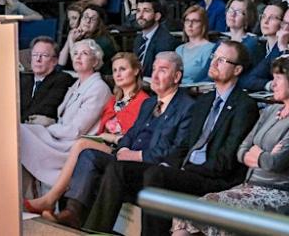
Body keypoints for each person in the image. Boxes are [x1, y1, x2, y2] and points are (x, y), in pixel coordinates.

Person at [84, 41, 260, 235]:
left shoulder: (245, 106)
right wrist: (170, 163)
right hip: (186, 169)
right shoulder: (204, 101)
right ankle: (93, 232)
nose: (214, 62)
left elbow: (226, 159)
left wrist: (182, 167)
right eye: (214, 57)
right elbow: (184, 145)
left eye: (222, 60)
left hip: (213, 178)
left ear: (237, 70)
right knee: (119, 168)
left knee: (156, 175)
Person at [39, 51, 196, 227]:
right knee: (89, 154)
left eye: (163, 70)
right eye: (154, 69)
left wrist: (136, 156)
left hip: (150, 167)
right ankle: (73, 212)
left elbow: (177, 149)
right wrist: (123, 149)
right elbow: (130, 134)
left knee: (114, 166)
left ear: (177, 77)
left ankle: (94, 229)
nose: (155, 75)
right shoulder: (149, 103)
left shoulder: (187, 107)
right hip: (126, 158)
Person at [171, 55, 289, 236]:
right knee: (183, 211)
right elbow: (241, 151)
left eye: (278, 78)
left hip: (277, 194)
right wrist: (261, 154)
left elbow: (275, 163)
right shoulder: (271, 111)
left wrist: (258, 153)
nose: (273, 84)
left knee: (207, 210)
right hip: (248, 187)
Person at [24, 52, 149, 215]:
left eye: (123, 69)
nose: (117, 74)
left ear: (136, 71)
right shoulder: (113, 99)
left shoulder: (144, 101)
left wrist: (110, 137)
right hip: (101, 144)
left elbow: (137, 137)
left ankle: (50, 199)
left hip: (121, 149)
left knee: (81, 144)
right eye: (115, 70)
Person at [20, 39, 114, 197]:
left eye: (84, 54)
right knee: (18, 134)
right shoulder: (77, 84)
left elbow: (76, 130)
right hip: (60, 137)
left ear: (96, 61)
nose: (78, 57)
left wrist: (48, 126)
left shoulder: (98, 88)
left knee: (21, 133)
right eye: (75, 53)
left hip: (70, 144)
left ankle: (25, 200)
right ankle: (23, 198)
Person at [21, 36, 73, 123]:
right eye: (35, 55)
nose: (38, 59)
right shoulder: (22, 80)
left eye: (44, 55)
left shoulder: (62, 79)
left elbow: (46, 110)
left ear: (55, 61)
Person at [58, 5, 118, 76]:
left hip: (101, 78)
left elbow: (80, 64)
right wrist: (69, 38)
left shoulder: (103, 41)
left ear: (99, 24)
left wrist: (71, 41)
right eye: (85, 17)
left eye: (93, 19)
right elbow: (60, 64)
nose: (88, 21)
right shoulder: (79, 36)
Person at [133, 0, 181, 77]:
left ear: (157, 16)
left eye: (146, 11)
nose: (140, 15)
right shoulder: (138, 39)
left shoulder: (165, 41)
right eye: (138, 11)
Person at [176, 5, 217, 85]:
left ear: (203, 24)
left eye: (195, 21)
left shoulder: (210, 49)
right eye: (187, 20)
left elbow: (207, 77)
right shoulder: (179, 49)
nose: (190, 25)